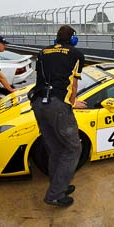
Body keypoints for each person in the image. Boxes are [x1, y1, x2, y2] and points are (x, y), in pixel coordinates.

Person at [30, 25, 85, 207]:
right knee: (73, 148)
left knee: (56, 149)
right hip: (58, 105)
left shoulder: (43, 52)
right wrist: (73, 101)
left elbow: (39, 78)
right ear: (73, 39)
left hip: (38, 103)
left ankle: (58, 184)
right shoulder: (76, 54)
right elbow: (73, 84)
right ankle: (55, 194)